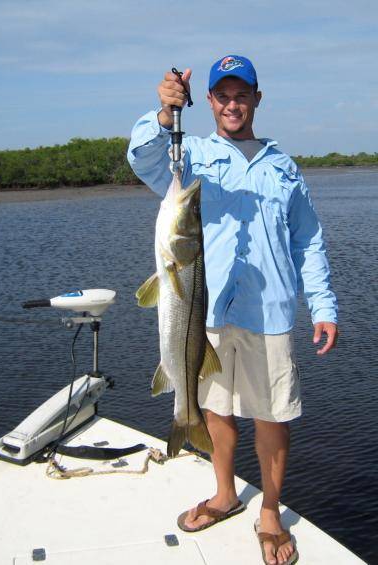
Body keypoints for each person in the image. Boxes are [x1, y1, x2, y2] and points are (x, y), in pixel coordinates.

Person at [127, 55, 338, 565]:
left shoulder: (283, 167)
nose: (231, 104)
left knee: (272, 415)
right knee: (215, 407)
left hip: (269, 313)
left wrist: (323, 304)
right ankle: (224, 494)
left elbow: (308, 240)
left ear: (256, 101)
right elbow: (143, 159)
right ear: (212, 103)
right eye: (222, 95)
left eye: (241, 95)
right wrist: (162, 113)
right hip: (205, 311)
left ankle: (269, 510)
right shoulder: (190, 155)